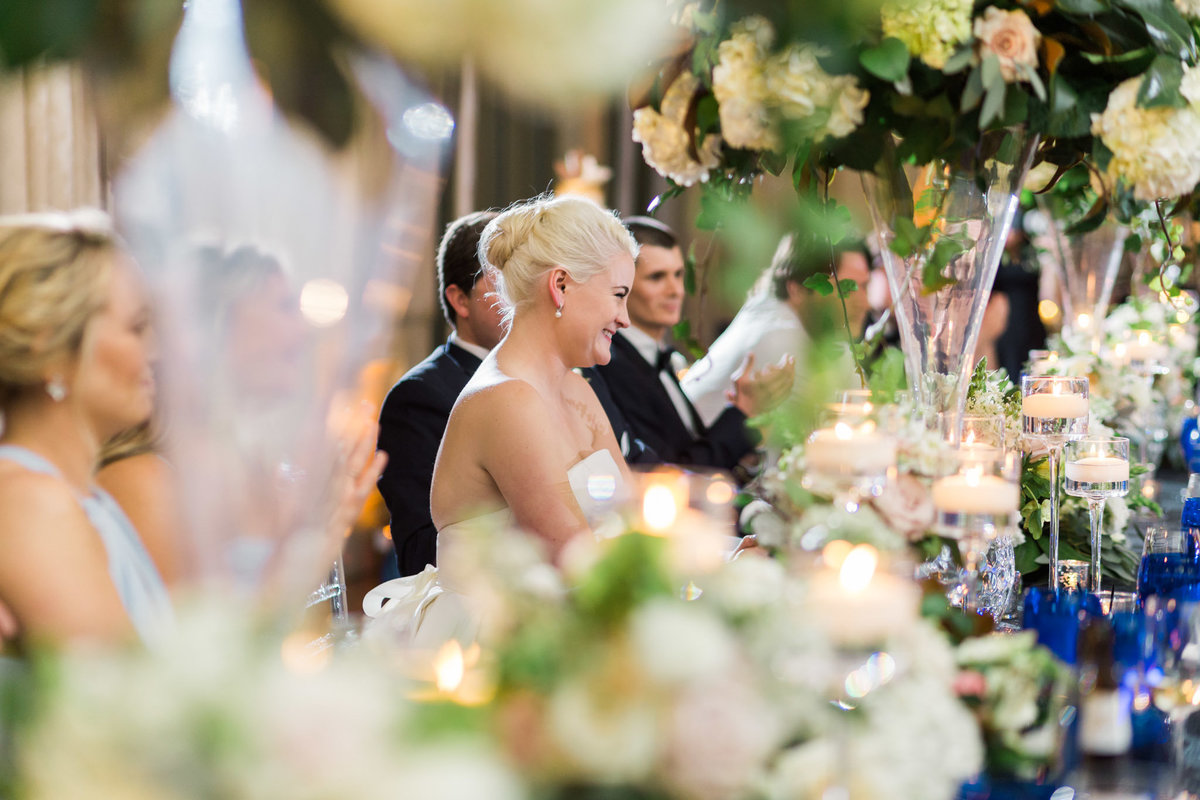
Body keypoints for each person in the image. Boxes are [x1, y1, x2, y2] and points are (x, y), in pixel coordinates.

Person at [365, 195, 640, 646]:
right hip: (491, 644)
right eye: (618, 295)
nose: (625, 318)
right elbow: (574, 558)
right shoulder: (506, 398)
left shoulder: (575, 387)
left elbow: (631, 518)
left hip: (569, 621)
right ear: (561, 286)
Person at [0, 210, 173, 650]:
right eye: (136, 328)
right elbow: (130, 707)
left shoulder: (88, 500)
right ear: (51, 348)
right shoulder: (32, 504)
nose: (154, 352)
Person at [593, 216, 792, 470]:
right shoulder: (613, 363)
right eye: (656, 277)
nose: (675, 289)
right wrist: (743, 412)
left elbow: (687, 449)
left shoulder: (662, 358)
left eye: (678, 275)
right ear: (622, 284)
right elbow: (667, 474)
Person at [376, 211, 504, 577]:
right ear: (460, 300)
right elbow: (420, 551)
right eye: (503, 285)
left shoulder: (568, 379)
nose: (522, 299)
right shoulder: (420, 396)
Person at [683, 233, 870, 426]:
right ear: (796, 289)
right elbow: (846, 427)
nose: (865, 303)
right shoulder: (780, 338)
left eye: (865, 286)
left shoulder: (771, 317)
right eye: (846, 290)